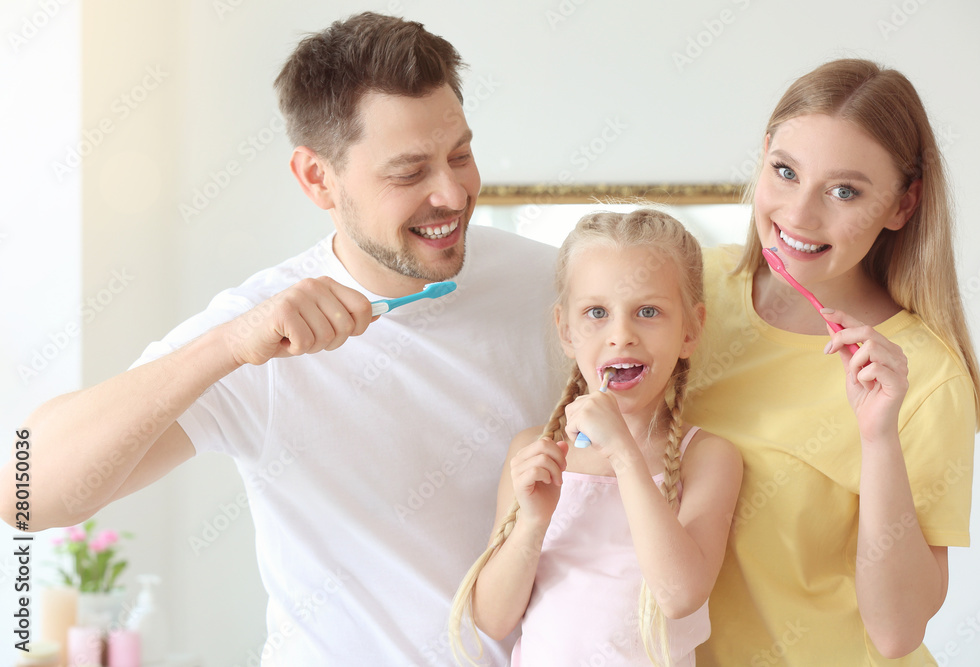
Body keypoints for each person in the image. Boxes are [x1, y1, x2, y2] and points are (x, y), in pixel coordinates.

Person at [1, 12, 564, 665]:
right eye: (409, 173)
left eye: (460, 155)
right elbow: (24, 493)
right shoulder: (256, 332)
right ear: (316, 178)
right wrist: (224, 348)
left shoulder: (551, 286)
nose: (453, 192)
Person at [685, 59, 980, 665]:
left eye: (844, 191)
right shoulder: (688, 294)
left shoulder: (923, 378)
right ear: (763, 153)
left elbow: (898, 633)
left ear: (903, 205)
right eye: (786, 172)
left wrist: (878, 441)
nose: (799, 215)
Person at [450, 209, 744, 666]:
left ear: (691, 330)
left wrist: (625, 456)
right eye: (596, 313)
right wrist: (532, 521)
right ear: (566, 331)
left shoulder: (707, 457)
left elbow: (679, 595)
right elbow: (492, 618)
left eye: (648, 312)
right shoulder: (533, 451)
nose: (621, 335)